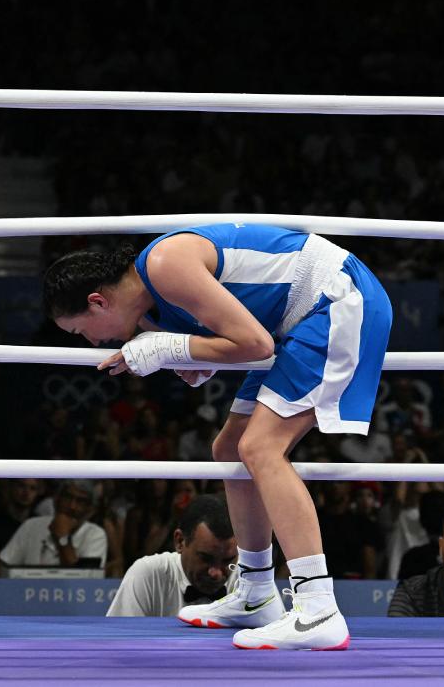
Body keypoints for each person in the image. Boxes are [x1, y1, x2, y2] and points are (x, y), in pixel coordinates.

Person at [44, 223, 393, 650]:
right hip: (297, 323)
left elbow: (256, 344)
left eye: (82, 332)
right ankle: (256, 593)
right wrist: (193, 354)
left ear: (97, 301)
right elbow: (236, 334)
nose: (92, 342)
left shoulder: (164, 264)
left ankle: (318, 607)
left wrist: (168, 349)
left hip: (337, 300)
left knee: (260, 447)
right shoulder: (154, 307)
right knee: (229, 449)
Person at [109, 494, 238, 618]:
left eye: (228, 560)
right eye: (206, 558)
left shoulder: (247, 577)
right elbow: (119, 639)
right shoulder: (149, 574)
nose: (216, 573)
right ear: (180, 541)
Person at [0, 479, 108, 571]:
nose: (72, 506)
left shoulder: (95, 535)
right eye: (68, 497)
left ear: (90, 510)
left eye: (80, 501)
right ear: (56, 500)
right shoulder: (31, 525)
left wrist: (62, 537)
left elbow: (82, 583)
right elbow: (0, 571)